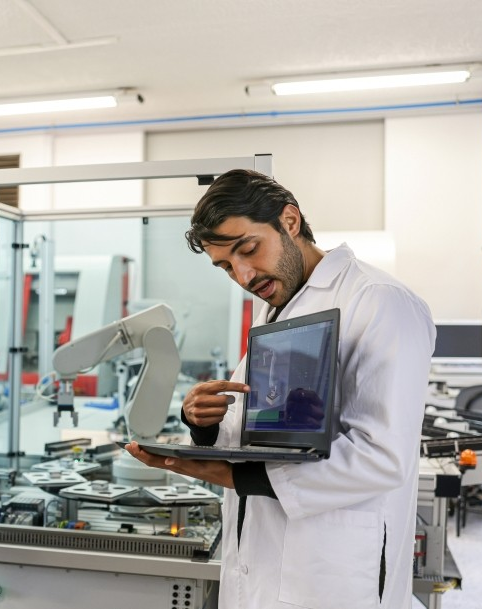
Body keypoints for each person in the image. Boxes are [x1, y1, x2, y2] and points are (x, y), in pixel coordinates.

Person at [126, 169, 434, 609]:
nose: (244, 276)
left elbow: (382, 457)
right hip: (263, 566)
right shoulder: (280, 310)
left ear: (290, 220)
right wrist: (203, 424)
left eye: (248, 249)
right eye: (226, 267)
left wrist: (234, 476)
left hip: (334, 578)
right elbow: (249, 434)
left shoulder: (379, 300)